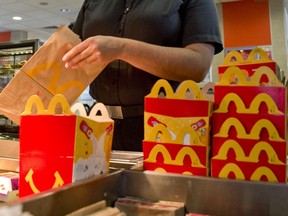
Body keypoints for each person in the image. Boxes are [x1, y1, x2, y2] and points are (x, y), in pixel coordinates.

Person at [62, 0, 223, 152]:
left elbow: (199, 65)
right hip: (99, 127)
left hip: (164, 127)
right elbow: (71, 56)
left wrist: (122, 48)